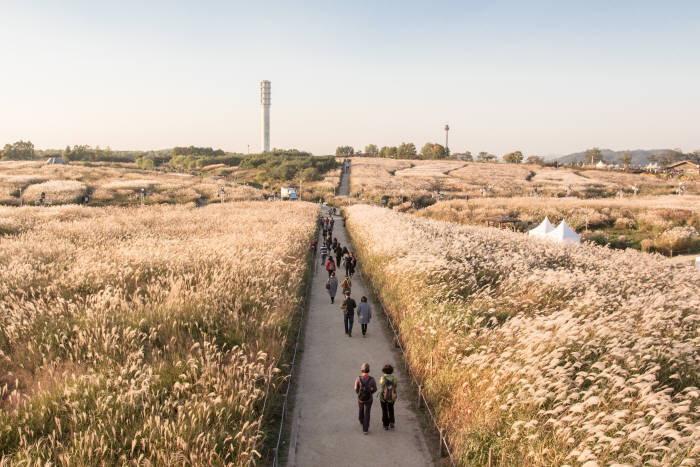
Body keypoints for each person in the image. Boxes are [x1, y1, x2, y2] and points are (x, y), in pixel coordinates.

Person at [354, 363, 377, 434]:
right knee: (367, 412)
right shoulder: (372, 379)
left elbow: (356, 388)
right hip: (369, 399)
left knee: (361, 409)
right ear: (368, 370)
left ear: (361, 370)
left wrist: (359, 393)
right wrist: (371, 392)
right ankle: (365, 429)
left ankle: (361, 420)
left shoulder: (358, 378)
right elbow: (375, 389)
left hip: (360, 398)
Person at [379, 364, 397, 430]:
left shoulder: (382, 379)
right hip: (392, 397)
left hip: (383, 397)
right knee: (391, 409)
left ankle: (385, 425)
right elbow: (395, 386)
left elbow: (381, 385)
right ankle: (392, 421)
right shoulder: (394, 379)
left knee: (384, 411)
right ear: (392, 371)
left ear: (384, 371)